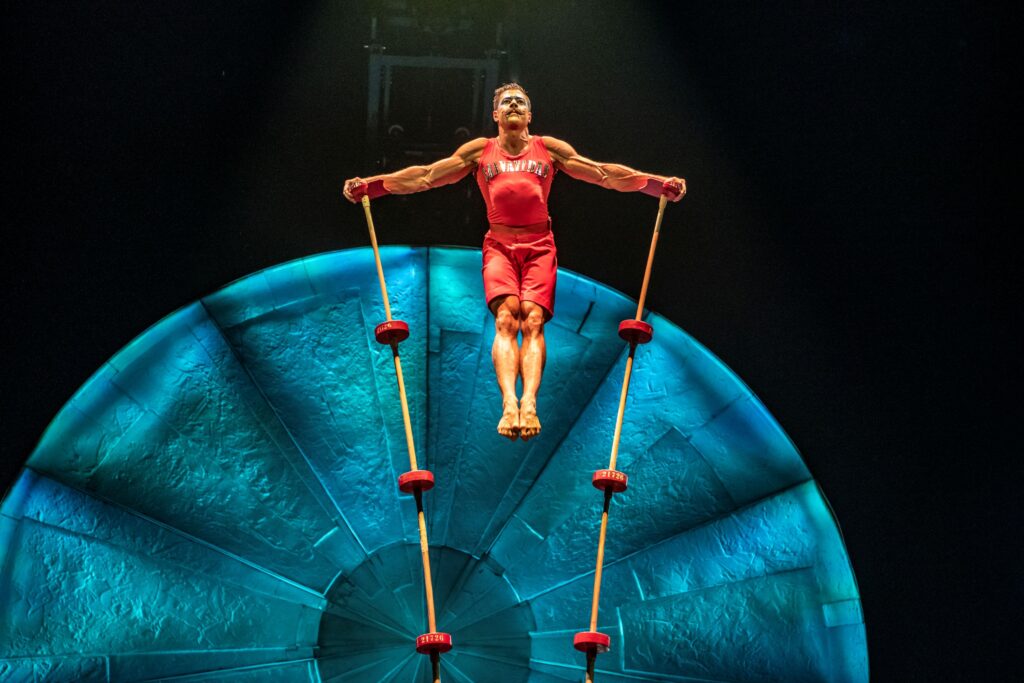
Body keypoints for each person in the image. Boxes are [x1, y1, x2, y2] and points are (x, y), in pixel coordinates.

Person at [344, 83, 685, 442]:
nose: (513, 105)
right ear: (495, 114)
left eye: (520, 102)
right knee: (507, 317)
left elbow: (602, 173)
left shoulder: (548, 148)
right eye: (506, 102)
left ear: (529, 115)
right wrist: (373, 186)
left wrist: (655, 184)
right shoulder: (480, 151)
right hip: (499, 245)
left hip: (540, 245)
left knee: (533, 318)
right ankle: (510, 403)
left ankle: (530, 403)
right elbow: (427, 176)